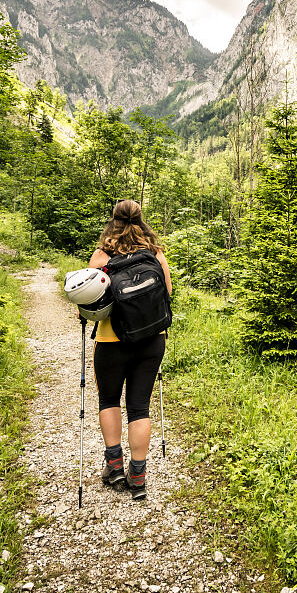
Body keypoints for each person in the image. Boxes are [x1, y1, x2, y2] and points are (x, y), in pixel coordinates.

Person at [87, 199, 172, 500]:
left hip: (111, 340)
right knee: (139, 406)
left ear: (113, 220)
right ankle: (138, 475)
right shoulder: (155, 253)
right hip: (152, 339)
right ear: (140, 219)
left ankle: (114, 465)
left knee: (109, 398)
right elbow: (168, 293)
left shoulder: (102, 256)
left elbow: (89, 303)